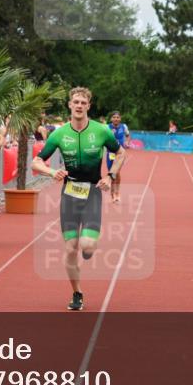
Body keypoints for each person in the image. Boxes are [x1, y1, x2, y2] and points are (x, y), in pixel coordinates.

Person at [31, 87, 124, 311]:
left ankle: (89, 247)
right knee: (71, 248)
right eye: (76, 102)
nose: (79, 105)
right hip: (70, 195)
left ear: (88, 106)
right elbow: (36, 162)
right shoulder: (59, 134)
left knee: (87, 245)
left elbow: (121, 153)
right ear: (70, 105)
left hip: (92, 193)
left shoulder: (102, 131)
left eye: (83, 102)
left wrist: (110, 177)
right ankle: (77, 292)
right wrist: (52, 173)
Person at [107, 111, 132, 204]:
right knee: (111, 173)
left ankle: (116, 193)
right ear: (111, 119)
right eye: (114, 117)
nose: (116, 119)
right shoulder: (107, 127)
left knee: (116, 172)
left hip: (120, 153)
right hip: (110, 153)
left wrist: (127, 142)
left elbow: (128, 135)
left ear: (120, 119)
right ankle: (112, 194)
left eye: (117, 117)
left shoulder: (124, 126)